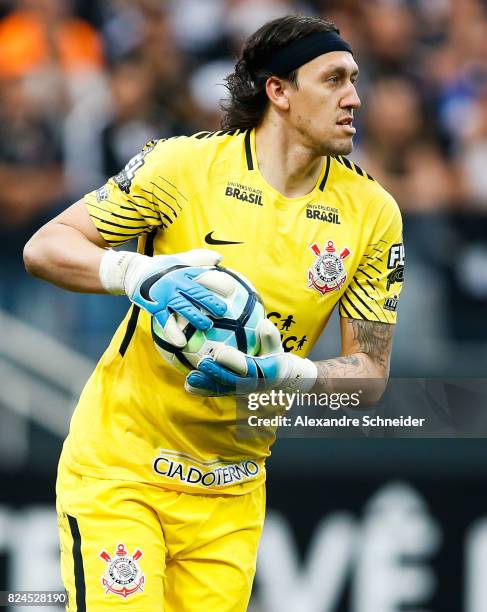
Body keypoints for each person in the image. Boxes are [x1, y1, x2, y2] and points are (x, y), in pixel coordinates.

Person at [23, 14, 405, 612]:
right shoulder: (181, 168)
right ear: (278, 91)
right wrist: (137, 272)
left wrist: (289, 376)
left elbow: (371, 375)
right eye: (333, 79)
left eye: (355, 80)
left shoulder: (372, 213)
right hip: (123, 470)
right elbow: (44, 246)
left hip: (231, 492)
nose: (354, 97)